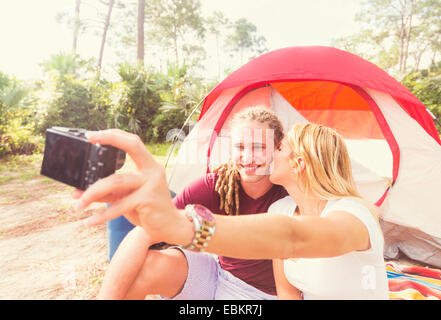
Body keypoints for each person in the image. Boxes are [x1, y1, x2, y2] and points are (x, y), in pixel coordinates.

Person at [75, 122, 389, 300]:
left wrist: (184, 227)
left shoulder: (356, 216)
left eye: (275, 148)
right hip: (223, 283)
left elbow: (292, 238)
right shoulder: (283, 207)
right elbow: (288, 290)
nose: (259, 159)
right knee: (150, 266)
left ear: (299, 163)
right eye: (241, 147)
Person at [87, 106, 288, 299]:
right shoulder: (217, 185)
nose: (247, 157)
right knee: (145, 268)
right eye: (240, 147)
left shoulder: (291, 188)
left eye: (258, 147)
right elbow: (143, 233)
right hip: (218, 275)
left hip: (264, 293)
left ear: (278, 147)